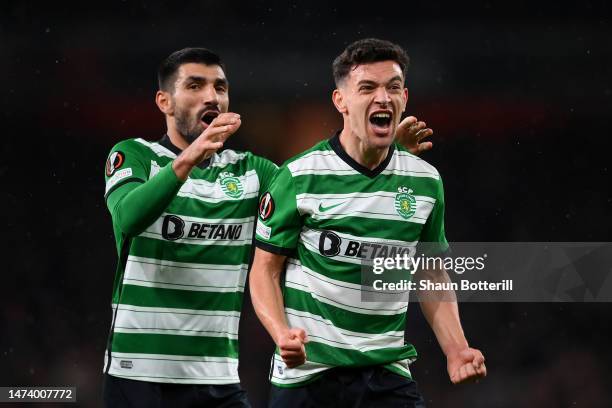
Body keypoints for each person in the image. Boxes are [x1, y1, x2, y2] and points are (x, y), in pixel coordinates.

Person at [102, 47, 434, 407]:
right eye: (195, 85)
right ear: (164, 101)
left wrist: (381, 156)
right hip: (138, 372)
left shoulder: (252, 173)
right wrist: (190, 157)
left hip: (218, 378)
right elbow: (128, 218)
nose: (212, 96)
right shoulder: (135, 155)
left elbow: (319, 191)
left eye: (220, 87)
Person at [250, 38, 486, 407]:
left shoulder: (425, 181)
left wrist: (456, 349)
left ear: (405, 98)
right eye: (367, 88)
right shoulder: (299, 176)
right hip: (308, 377)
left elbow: (431, 274)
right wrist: (281, 333)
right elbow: (264, 270)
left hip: (386, 374)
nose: (383, 97)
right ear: (340, 101)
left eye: (393, 87)